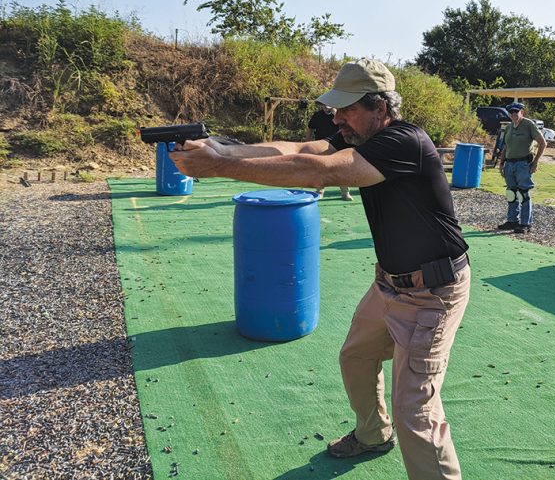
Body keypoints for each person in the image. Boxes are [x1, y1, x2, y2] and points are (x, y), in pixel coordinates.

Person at [171, 58, 471, 480]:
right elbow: (298, 150)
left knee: (416, 412)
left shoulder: (406, 141)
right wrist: (221, 152)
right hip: (390, 283)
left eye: (347, 108)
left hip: (433, 292)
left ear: (381, 108)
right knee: (356, 357)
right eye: (335, 108)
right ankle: (373, 435)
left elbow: (319, 171)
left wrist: (219, 167)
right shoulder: (360, 135)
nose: (337, 117)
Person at [497, 101, 547, 233]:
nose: (513, 114)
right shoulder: (508, 127)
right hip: (510, 164)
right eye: (511, 112)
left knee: (523, 193)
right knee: (511, 193)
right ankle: (512, 220)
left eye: (516, 112)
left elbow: (542, 143)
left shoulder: (528, 124)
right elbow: (506, 146)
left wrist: (535, 161)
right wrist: (501, 163)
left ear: (521, 112)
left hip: (523, 163)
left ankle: (525, 224)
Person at [305, 102, 353, 200]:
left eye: (328, 105)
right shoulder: (317, 115)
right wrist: (307, 142)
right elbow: (310, 129)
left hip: (337, 145)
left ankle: (345, 193)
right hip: (321, 145)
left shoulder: (338, 115)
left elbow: (346, 124)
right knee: (321, 169)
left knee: (341, 168)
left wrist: (335, 113)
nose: (326, 108)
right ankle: (320, 191)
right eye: (324, 105)